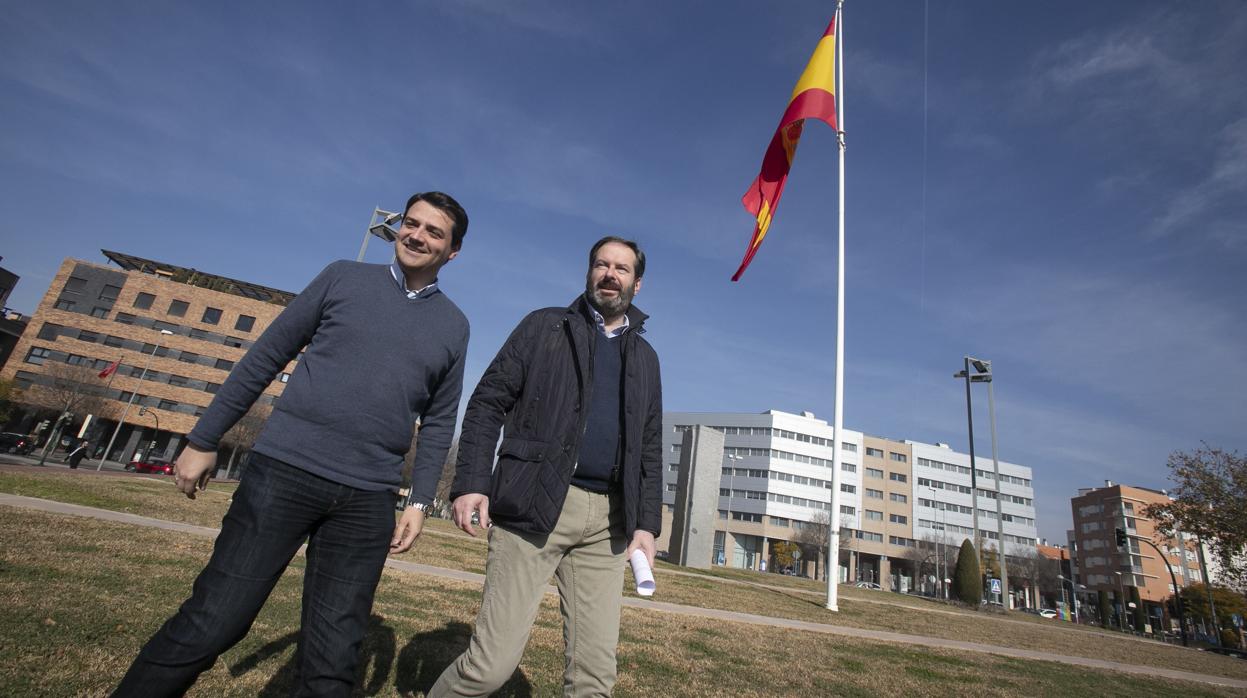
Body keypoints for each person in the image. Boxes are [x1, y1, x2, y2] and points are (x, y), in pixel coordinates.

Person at [112, 191, 471, 697]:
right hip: (283, 474)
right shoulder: (342, 277)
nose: (416, 235)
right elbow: (265, 357)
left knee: (333, 660)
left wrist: (419, 499)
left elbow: (438, 421)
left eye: (434, 231)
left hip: (367, 499)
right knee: (213, 622)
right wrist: (203, 438)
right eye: (411, 224)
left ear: (452, 251)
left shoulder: (454, 326)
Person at [430, 236, 663, 697]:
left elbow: (650, 448)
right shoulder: (545, 327)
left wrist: (647, 525)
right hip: (533, 504)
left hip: (608, 526)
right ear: (589, 271)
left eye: (621, 268)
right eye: (601, 264)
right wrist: (472, 481)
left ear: (638, 282)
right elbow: (486, 403)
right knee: (488, 669)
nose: (610, 274)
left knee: (595, 679)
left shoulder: (646, 358)